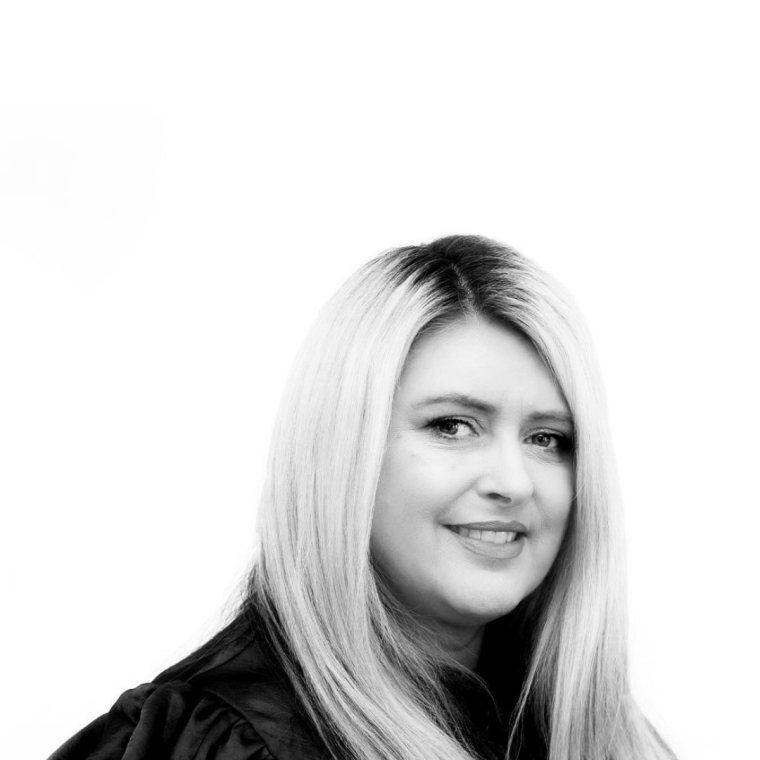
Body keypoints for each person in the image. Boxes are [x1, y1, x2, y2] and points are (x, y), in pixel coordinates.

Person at [49, 235, 676, 760]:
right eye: (452, 426)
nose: (514, 482)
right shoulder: (220, 744)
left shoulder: (596, 736)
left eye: (548, 439)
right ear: (344, 451)